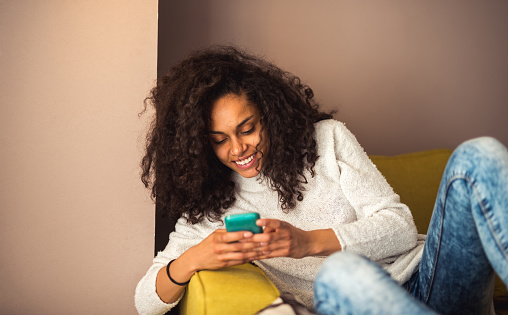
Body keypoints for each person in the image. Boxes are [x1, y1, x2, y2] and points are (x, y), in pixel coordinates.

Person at [135, 45, 508, 315]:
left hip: (429, 278)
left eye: (247, 129)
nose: (238, 149)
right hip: (353, 301)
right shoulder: (212, 205)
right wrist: (194, 258)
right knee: (343, 270)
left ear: (268, 114)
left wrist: (306, 242)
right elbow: (144, 301)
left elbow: (401, 229)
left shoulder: (327, 139)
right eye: (219, 141)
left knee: (479, 154)